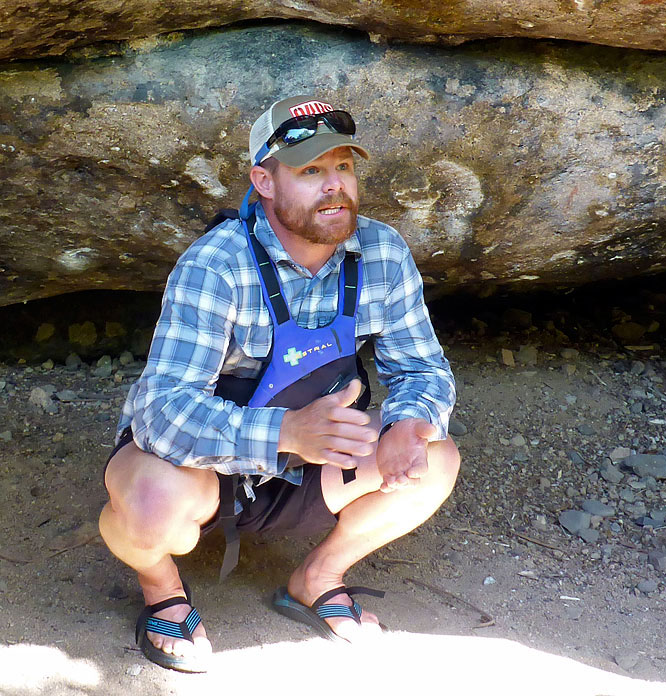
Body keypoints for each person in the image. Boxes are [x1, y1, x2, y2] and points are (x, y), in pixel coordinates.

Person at [99, 94, 460, 672]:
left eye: (343, 166)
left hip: (310, 461)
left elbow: (421, 369)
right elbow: (162, 413)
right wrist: (287, 431)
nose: (334, 186)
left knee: (434, 457)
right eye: (311, 170)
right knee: (148, 504)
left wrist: (407, 423)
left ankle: (317, 578)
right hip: (203, 466)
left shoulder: (382, 252)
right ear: (263, 181)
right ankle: (162, 589)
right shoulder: (216, 264)